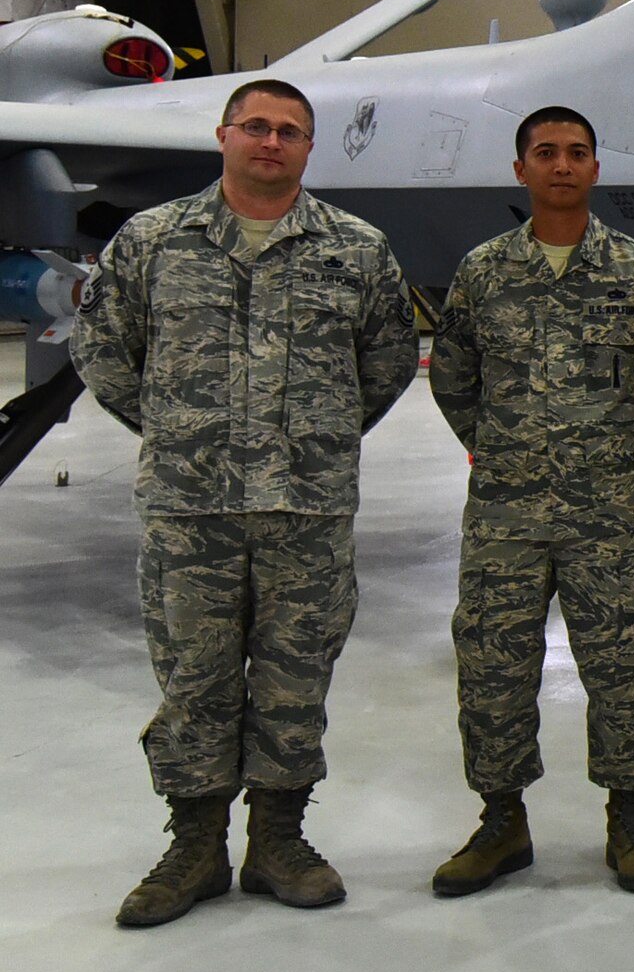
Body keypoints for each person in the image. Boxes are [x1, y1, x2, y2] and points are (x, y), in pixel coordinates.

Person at [70, 77, 417, 928]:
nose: (271, 141)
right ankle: (193, 846)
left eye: (289, 131)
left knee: (296, 680)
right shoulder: (154, 241)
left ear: (308, 148)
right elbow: (104, 349)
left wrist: (317, 440)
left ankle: (279, 842)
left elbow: (387, 361)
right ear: (223, 136)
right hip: (191, 512)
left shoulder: (356, 250)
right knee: (195, 679)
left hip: (307, 512)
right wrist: (177, 431)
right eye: (256, 127)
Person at [427, 106, 634, 897]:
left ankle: (630, 819)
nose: (562, 165)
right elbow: (453, 377)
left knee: (624, 664)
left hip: (606, 512)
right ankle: (501, 821)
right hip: (506, 512)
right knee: (493, 663)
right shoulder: (484, 272)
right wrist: (511, 443)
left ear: (595, 170)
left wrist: (606, 443)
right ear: (521, 169)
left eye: (578, 153)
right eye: (545, 152)